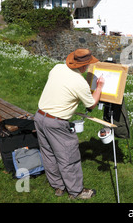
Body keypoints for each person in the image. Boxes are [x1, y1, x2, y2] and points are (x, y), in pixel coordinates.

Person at [34, 48, 105, 200]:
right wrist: (99, 87)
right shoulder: (79, 82)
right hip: (56, 122)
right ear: (84, 66)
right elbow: (91, 105)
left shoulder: (57, 68)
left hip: (39, 117)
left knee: (48, 153)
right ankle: (76, 191)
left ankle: (58, 186)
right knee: (68, 157)